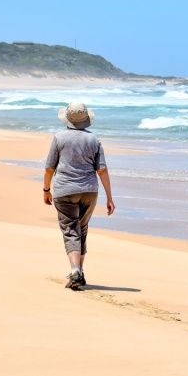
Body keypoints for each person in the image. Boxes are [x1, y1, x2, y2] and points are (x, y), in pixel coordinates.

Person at [43, 101, 115, 290]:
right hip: (89, 191)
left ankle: (75, 270)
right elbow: (102, 170)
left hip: (64, 190)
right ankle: (80, 272)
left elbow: (50, 167)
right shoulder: (94, 140)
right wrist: (109, 197)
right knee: (82, 229)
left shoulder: (59, 138)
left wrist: (46, 190)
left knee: (70, 230)